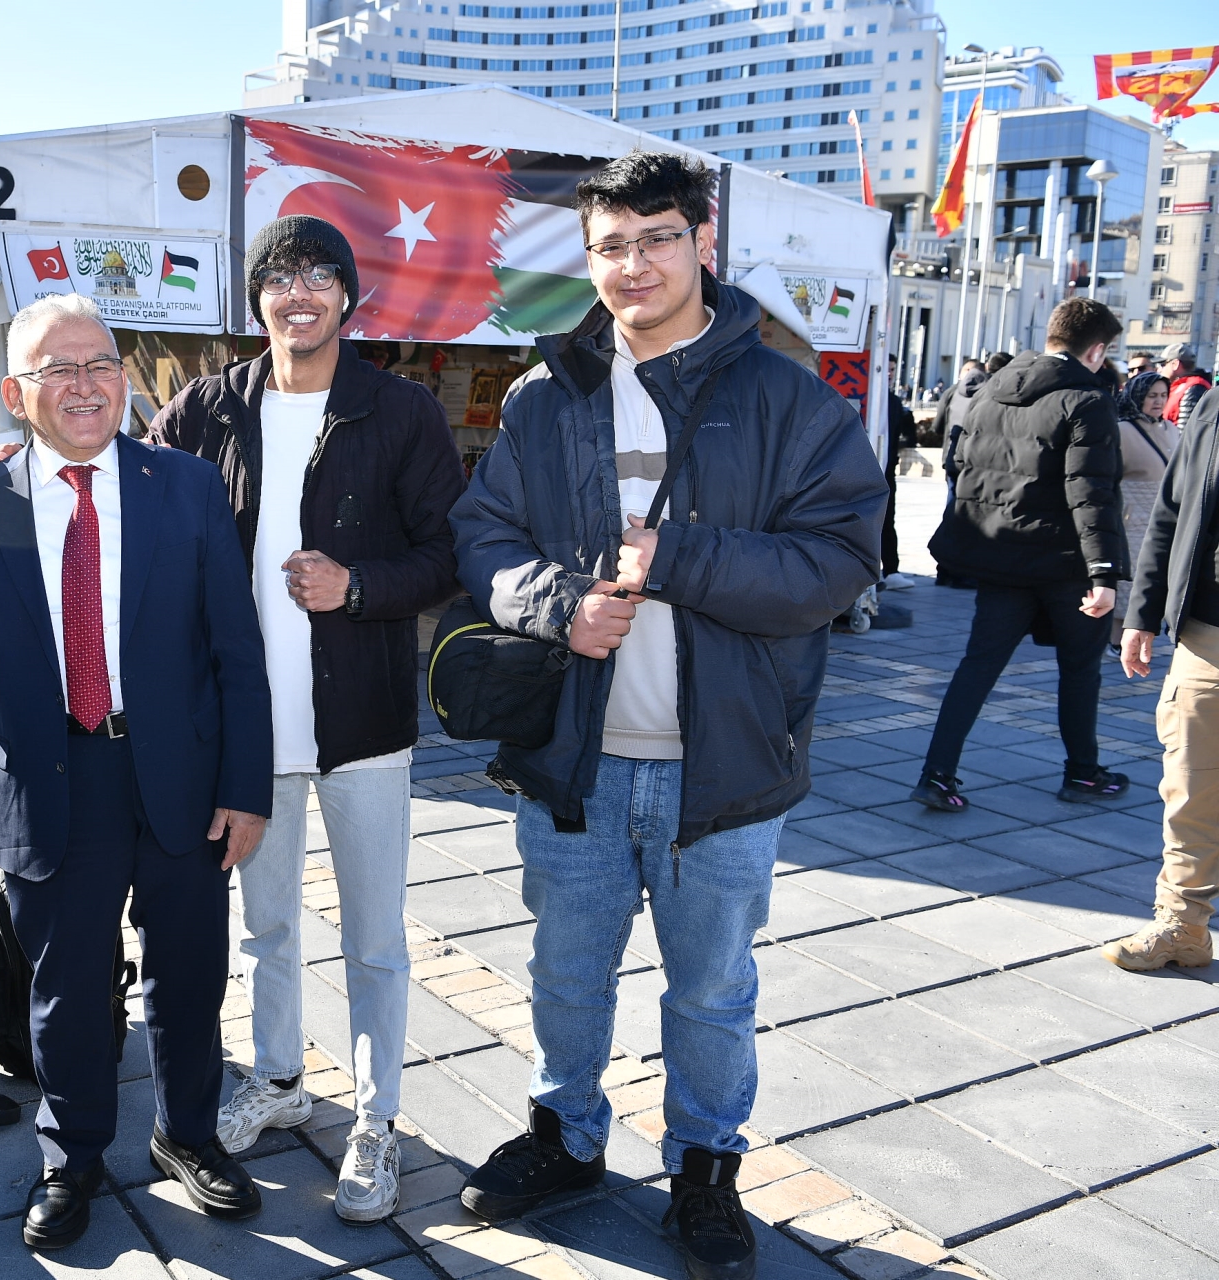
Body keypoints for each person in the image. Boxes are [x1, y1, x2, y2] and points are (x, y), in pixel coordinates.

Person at [449, 151, 885, 1280]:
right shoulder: (547, 397)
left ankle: (704, 1167)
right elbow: (484, 538)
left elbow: (840, 561)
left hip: (725, 763)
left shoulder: (788, 398)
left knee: (711, 991)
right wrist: (558, 605)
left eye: (656, 238)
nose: (632, 264)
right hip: (573, 757)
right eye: (611, 245)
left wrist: (677, 557)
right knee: (564, 973)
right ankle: (566, 1134)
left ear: (703, 242)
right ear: (586, 256)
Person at [0, 294, 273, 1251]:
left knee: (190, 977)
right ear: (16, 393)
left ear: (124, 381)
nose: (85, 386)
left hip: (181, 777)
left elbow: (235, 647)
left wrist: (245, 787)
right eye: (59, 369)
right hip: (51, 782)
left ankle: (189, 1134)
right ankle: (72, 1157)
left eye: (101, 365)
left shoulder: (185, 486)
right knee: (68, 989)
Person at [148, 214, 465, 1223]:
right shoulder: (206, 409)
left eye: (320, 273)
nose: (300, 292)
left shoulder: (399, 411)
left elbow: (449, 555)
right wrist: (11, 458)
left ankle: (376, 1118)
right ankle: (279, 1077)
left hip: (363, 722)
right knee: (265, 925)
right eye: (280, 275)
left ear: (346, 295)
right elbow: (125, 493)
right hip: (244, 729)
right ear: (257, 298)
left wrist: (357, 586)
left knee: (374, 937)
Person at [914, 298, 1130, 815]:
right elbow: (1092, 493)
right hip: (1065, 563)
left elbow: (960, 465)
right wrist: (1104, 572)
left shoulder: (992, 388)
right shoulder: (1088, 400)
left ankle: (936, 775)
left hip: (1002, 558)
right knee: (1079, 669)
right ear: (1096, 350)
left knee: (978, 666)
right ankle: (1082, 772)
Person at [1111, 388, 1219, 970]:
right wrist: (1144, 614)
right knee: (1189, 789)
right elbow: (1172, 512)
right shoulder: (1213, 407)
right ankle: (1182, 927)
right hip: (1207, 636)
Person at [1114, 370, 1179, 623]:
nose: (1158, 401)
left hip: (1162, 517)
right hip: (1131, 519)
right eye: (1152, 395)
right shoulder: (1122, 430)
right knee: (1129, 583)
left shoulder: (1170, 428)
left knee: (1153, 581)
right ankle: (1116, 637)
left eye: (1163, 395)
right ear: (1138, 396)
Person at [882, 355, 918, 590]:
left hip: (887, 470)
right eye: (887, 368)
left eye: (893, 369)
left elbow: (901, 438)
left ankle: (891, 570)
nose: (889, 373)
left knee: (887, 520)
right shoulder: (876, 399)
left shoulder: (893, 402)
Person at [1162, 342, 1211, 428]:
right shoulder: (1181, 386)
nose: (1159, 368)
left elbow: (1186, 427)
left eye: (1163, 364)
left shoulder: (1194, 387)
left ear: (1175, 364)